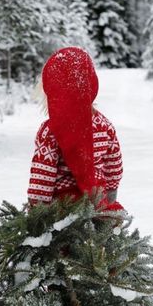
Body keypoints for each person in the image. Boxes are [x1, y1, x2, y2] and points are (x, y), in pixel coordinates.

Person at [27, 47, 124, 211]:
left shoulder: (50, 131)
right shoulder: (104, 125)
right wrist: (109, 196)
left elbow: (42, 176)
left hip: (62, 209)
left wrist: (36, 210)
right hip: (96, 201)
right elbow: (114, 166)